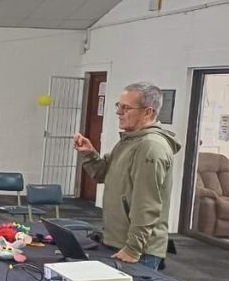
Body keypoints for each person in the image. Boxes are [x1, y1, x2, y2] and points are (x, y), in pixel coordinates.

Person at [73, 81, 182, 270]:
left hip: (137, 252)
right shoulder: (129, 140)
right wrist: (89, 154)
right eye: (119, 106)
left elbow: (147, 204)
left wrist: (133, 249)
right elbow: (102, 174)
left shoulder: (150, 147)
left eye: (126, 108)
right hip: (116, 242)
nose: (118, 112)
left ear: (148, 112)